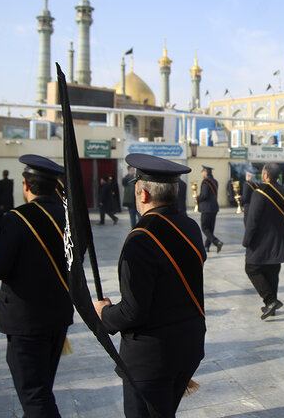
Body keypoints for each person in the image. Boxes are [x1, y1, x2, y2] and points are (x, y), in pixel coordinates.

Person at [93, 154, 205, 417]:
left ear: (142, 195)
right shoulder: (189, 226)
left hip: (152, 359)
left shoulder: (142, 238)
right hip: (187, 348)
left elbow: (133, 311)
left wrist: (103, 313)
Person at [0, 155, 73, 417]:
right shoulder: (69, 219)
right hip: (58, 315)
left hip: (26, 321)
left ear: (25, 184)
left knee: (34, 394)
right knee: (41, 387)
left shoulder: (16, 219)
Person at [243, 163, 284, 320]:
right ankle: (272, 305)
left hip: (261, 240)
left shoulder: (260, 192)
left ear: (265, 175)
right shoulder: (283, 190)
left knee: (251, 268)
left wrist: (247, 240)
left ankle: (270, 301)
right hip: (278, 239)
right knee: (273, 272)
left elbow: (253, 220)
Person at [197, 165, 222, 252]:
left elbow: (204, 195)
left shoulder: (205, 182)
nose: (202, 173)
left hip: (206, 208)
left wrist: (197, 198)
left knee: (204, 227)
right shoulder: (215, 181)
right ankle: (207, 246)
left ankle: (217, 242)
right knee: (210, 228)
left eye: (203, 171)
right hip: (214, 207)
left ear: (206, 172)